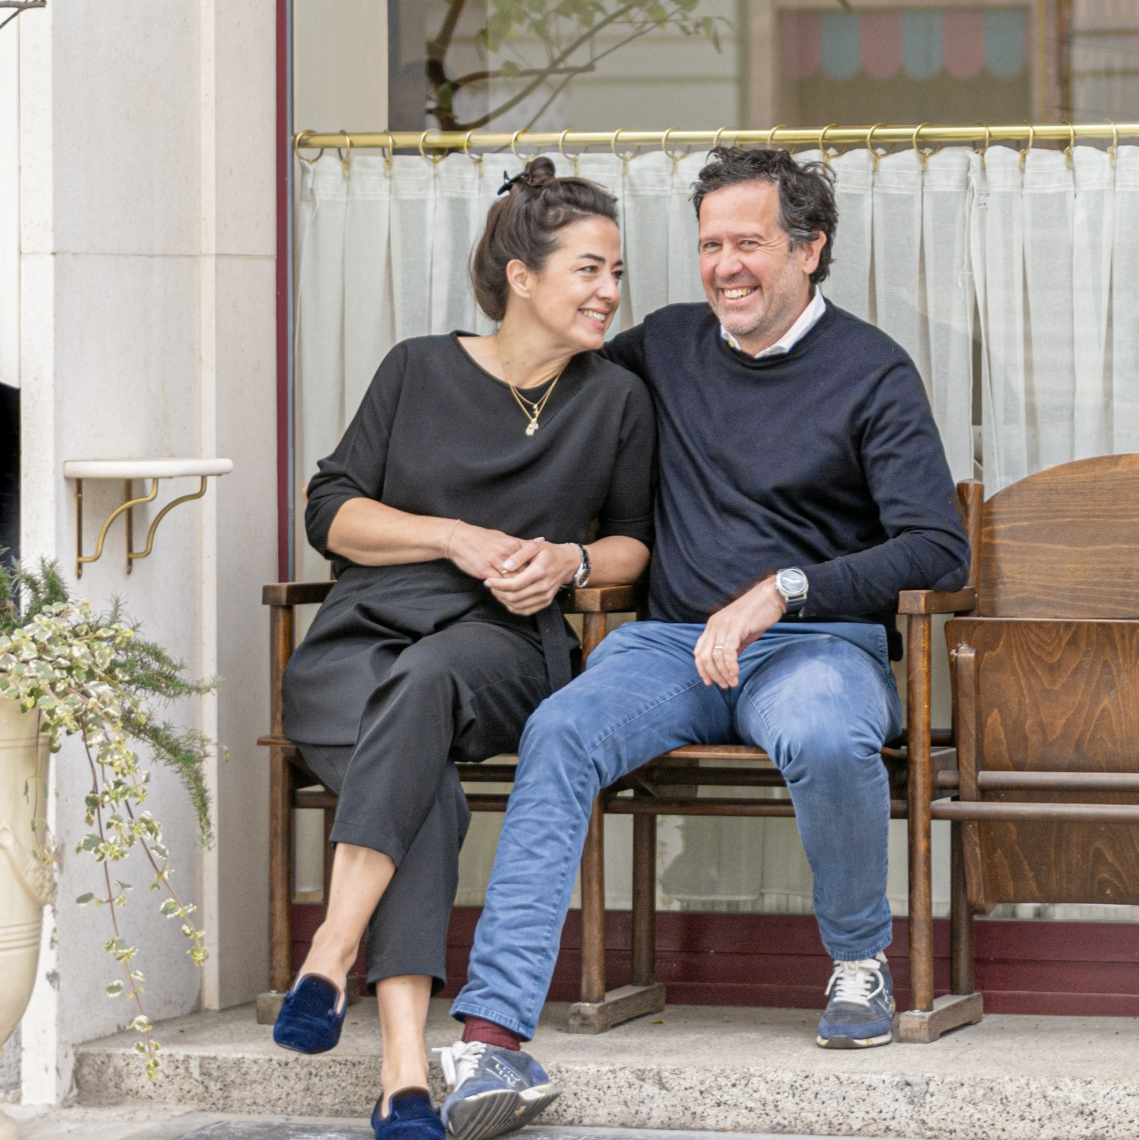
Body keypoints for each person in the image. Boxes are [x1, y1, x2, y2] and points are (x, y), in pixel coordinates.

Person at [438, 147, 970, 1139]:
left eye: (749, 244)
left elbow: (938, 548)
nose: (724, 266)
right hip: (670, 646)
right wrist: (524, 249)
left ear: (808, 251)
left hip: (815, 649)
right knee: (560, 731)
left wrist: (784, 589)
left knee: (821, 734)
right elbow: (548, 348)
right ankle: (493, 1035)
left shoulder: (871, 371)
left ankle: (858, 960)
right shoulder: (667, 346)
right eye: (708, 245)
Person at [272, 156, 655, 1140]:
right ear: (520, 276)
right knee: (422, 785)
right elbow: (331, 513)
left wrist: (568, 560)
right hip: (359, 640)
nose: (610, 291)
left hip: (502, 644)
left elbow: (632, 543)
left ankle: (332, 948)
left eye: (616, 271)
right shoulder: (415, 367)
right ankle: (402, 1070)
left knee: (430, 679)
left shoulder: (612, 400)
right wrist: (447, 534)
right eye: (589, 269)